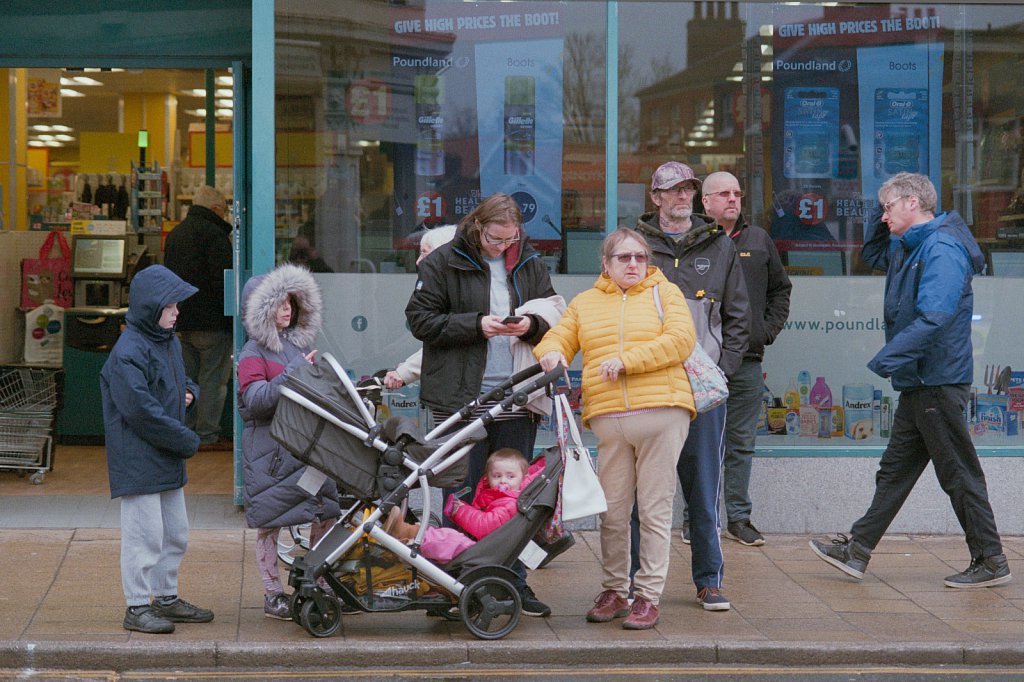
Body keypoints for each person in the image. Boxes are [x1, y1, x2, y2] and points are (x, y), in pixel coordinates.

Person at [810, 172, 1012, 589]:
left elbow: (935, 316)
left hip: (936, 380)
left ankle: (991, 560)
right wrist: (879, 203)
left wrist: (889, 358)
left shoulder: (941, 248)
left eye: (888, 208)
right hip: (921, 381)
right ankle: (858, 549)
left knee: (958, 472)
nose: (883, 217)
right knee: (895, 471)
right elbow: (872, 252)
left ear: (912, 204)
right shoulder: (911, 246)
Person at [405, 192, 560, 617]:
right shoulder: (443, 260)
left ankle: (513, 583)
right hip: (460, 397)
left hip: (515, 395)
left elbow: (551, 311)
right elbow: (419, 320)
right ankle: (452, 584)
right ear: (477, 227)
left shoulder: (528, 261)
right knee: (460, 496)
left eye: (509, 239)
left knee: (515, 498)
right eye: (495, 239)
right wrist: (476, 325)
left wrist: (532, 324)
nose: (502, 247)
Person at [535, 227, 696, 630]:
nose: (633, 264)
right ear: (605, 264)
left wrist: (628, 360)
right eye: (623, 258)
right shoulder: (586, 302)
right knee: (611, 512)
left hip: (662, 410)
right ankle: (614, 591)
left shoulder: (666, 293)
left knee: (655, 510)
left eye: (640, 257)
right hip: (610, 420)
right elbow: (559, 337)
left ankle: (647, 596)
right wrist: (551, 352)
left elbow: (681, 340)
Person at [632, 161, 750, 612]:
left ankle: (708, 580)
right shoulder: (635, 247)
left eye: (688, 190)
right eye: (673, 191)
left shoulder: (719, 246)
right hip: (649, 388)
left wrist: (723, 369)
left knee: (703, 489)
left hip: (702, 391)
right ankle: (633, 583)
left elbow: (739, 315)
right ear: (656, 197)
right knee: (643, 495)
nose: (682, 197)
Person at [99, 264, 215, 634]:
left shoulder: (167, 340)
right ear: (152, 308)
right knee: (144, 536)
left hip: (163, 453)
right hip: (141, 458)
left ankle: (165, 597)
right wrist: (186, 439)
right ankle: (136, 606)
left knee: (174, 532)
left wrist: (191, 392)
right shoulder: (129, 351)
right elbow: (140, 411)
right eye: (171, 306)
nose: (177, 311)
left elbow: (184, 382)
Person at [237, 263, 342, 620]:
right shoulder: (252, 353)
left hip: (306, 450)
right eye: (279, 303)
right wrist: (294, 372)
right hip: (272, 454)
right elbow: (255, 400)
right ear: (260, 310)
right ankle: (272, 593)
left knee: (324, 512)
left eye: (291, 303)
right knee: (270, 523)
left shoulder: (297, 346)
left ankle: (318, 581)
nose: (287, 309)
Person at [702, 171, 791, 546]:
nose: (733, 200)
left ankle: (738, 518)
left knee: (740, 443)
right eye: (724, 194)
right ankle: (698, 519)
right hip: (701, 363)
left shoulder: (758, 239)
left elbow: (780, 290)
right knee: (701, 444)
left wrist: (765, 330)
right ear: (705, 202)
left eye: (737, 193)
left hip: (748, 362)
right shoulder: (694, 242)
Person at [163, 185, 234, 451]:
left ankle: (187, 430)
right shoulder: (215, 237)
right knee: (213, 381)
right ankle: (207, 434)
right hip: (212, 322)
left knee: (186, 378)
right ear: (216, 209)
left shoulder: (176, 235)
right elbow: (222, 282)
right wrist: (231, 319)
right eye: (225, 210)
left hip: (180, 321)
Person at [384, 448, 539, 563]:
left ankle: (406, 532)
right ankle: (408, 533)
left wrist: (460, 510)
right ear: (488, 478)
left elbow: (484, 526)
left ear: (522, 479)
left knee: (447, 539)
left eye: (510, 476)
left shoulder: (510, 503)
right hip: (483, 545)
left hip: (485, 549)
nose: (503, 481)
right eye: (497, 476)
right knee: (444, 535)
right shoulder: (497, 497)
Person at [383, 224, 458, 390]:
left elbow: (448, 340)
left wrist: (404, 372)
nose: (418, 262)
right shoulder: (443, 288)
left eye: (425, 253)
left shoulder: (460, 292)